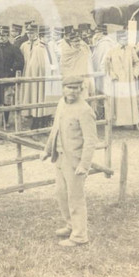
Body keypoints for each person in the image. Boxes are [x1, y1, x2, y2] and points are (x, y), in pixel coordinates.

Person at [42, 74, 99, 248]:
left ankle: (80, 236)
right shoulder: (61, 103)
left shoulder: (85, 110)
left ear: (81, 89)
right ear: (63, 89)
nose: (73, 92)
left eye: (76, 88)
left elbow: (91, 141)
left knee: (75, 198)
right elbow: (55, 129)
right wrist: (47, 149)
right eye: (69, 88)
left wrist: (84, 165)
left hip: (74, 162)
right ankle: (70, 225)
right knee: (61, 193)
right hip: (59, 157)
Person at [103, 29, 139, 129]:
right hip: (118, 80)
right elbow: (107, 65)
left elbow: (137, 62)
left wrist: (134, 74)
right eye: (123, 38)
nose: (125, 40)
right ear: (118, 39)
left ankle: (134, 123)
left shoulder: (131, 49)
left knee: (131, 101)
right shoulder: (111, 50)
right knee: (119, 102)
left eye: (126, 38)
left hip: (129, 80)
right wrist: (112, 75)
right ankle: (119, 122)